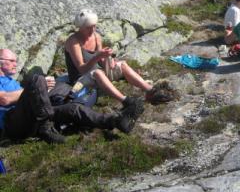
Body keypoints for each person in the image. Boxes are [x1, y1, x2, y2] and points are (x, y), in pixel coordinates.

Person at [0, 49, 139, 144]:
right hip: (12, 125)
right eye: (12, 60)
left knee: (73, 108)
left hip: (35, 118)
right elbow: (4, 99)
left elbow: (24, 98)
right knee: (37, 79)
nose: (16, 64)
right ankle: (47, 126)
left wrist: (43, 89)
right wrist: (33, 90)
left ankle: (116, 121)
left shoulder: (13, 82)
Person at [64, 9, 171, 108]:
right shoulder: (73, 42)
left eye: (94, 26)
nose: (92, 30)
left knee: (122, 64)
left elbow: (100, 60)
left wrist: (107, 58)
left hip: (98, 73)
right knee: (98, 73)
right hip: (81, 79)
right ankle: (126, 101)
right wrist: (98, 56)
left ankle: (150, 91)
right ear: (80, 27)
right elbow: (81, 69)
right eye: (88, 27)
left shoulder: (96, 36)